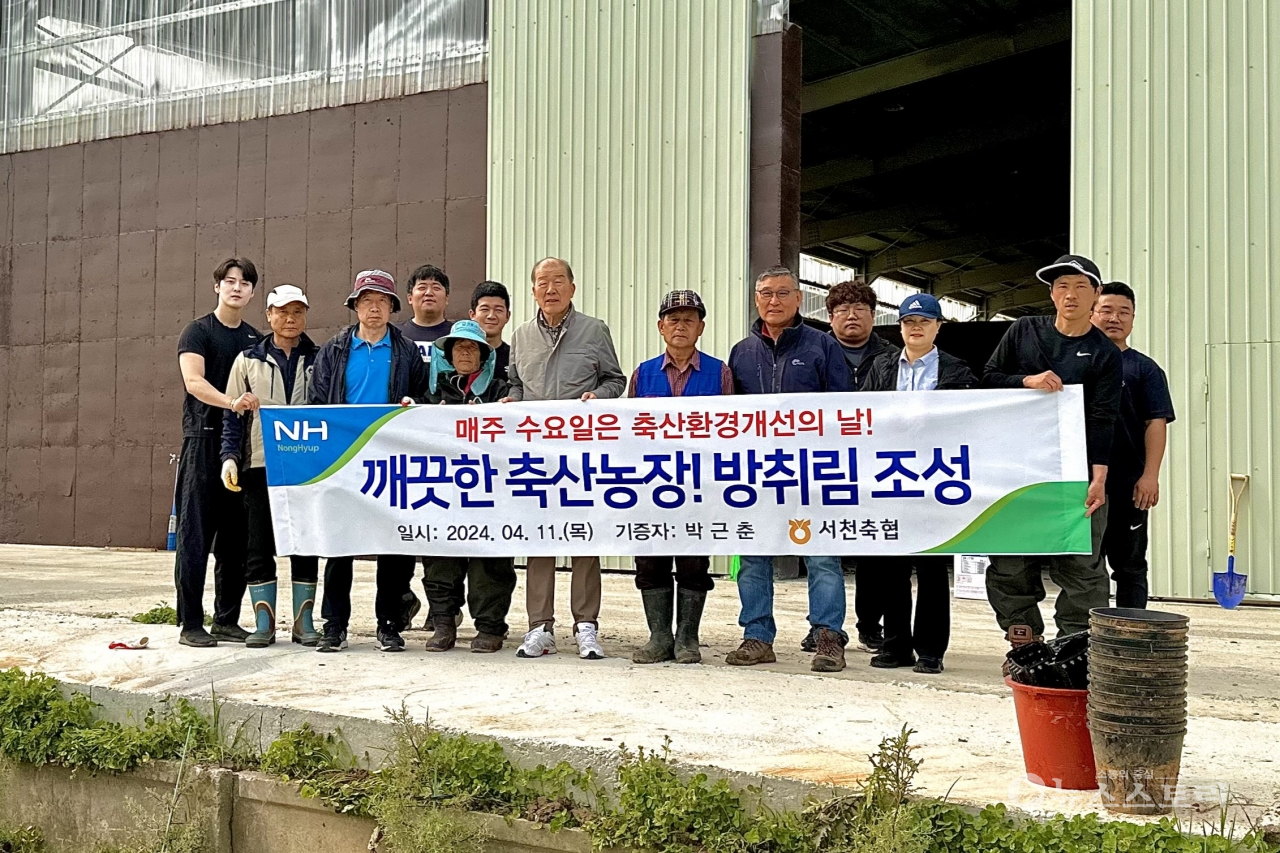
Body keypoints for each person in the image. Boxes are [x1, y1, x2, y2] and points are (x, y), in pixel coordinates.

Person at [982, 254, 1122, 644]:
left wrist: (1099, 479)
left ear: (1096, 295)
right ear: (1051, 293)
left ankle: (1074, 640)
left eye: (1080, 287)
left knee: (1082, 563)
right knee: (1010, 555)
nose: (1071, 294)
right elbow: (988, 379)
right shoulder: (1024, 330)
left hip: (1074, 473)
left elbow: (1102, 417)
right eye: (1062, 286)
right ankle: (1021, 633)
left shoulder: (1105, 353)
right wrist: (1026, 381)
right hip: (1016, 467)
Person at [726, 265, 854, 672]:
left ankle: (828, 636)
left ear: (799, 299)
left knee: (820, 555)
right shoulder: (741, 352)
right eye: (766, 293)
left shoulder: (822, 345)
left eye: (783, 293)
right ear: (756, 299)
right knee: (754, 554)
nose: (774, 301)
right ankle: (758, 635)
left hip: (812, 471)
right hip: (757, 472)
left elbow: (842, 409)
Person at [505, 257, 627, 660]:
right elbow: (516, 385)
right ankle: (540, 627)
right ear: (533, 290)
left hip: (582, 453)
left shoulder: (594, 330)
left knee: (583, 536)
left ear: (572, 288)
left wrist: (600, 398)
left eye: (559, 281)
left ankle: (586, 625)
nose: (551, 288)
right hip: (537, 456)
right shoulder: (521, 336)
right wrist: (512, 403)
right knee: (539, 539)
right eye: (543, 282)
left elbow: (615, 379)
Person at [309, 270, 430, 653]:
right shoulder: (334, 349)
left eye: (382, 301)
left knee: (393, 542)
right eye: (366, 300)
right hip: (344, 458)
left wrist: (413, 404)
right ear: (355, 306)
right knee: (339, 543)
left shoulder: (406, 350)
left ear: (393, 307)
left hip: (390, 458)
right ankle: (334, 625)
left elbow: (421, 397)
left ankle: (389, 624)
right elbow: (316, 404)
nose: (374, 307)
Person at [859, 294, 976, 674]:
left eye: (924, 322)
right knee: (891, 566)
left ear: (938, 326)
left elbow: (971, 422)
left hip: (937, 477)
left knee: (930, 567)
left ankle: (930, 650)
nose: (915, 328)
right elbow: (862, 415)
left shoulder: (958, 371)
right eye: (909, 321)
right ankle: (895, 646)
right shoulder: (880, 365)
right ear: (900, 326)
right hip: (890, 474)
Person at [626, 290, 733, 665]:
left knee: (692, 563)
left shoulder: (720, 373)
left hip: (698, 487)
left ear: (701, 327)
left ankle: (688, 636)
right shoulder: (642, 373)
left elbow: (732, 431)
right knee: (650, 560)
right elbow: (627, 434)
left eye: (689, 319)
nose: (680, 326)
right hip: (651, 486)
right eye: (673, 319)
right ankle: (658, 637)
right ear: (660, 327)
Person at [219, 285, 322, 648]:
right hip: (259, 465)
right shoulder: (247, 359)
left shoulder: (321, 358)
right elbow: (232, 415)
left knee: (305, 542)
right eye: (283, 311)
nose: (290, 318)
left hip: (308, 468)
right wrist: (229, 457)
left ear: (306, 315)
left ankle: (303, 622)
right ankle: (264, 624)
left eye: (297, 311)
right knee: (258, 545)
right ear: (269, 315)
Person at [174, 258, 261, 648]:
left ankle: (227, 619)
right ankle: (190, 623)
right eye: (229, 281)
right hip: (202, 443)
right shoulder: (198, 331)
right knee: (195, 538)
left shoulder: (255, 340)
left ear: (253, 292)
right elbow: (193, 381)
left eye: (244, 283)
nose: (236, 288)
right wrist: (231, 402)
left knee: (235, 541)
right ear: (217, 287)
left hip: (240, 451)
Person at [419, 320, 517, 654]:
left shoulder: (502, 393)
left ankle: (490, 626)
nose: (464, 351)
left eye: (472, 346)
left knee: (488, 561)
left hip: (490, 492)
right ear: (447, 354)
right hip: (441, 491)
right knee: (439, 556)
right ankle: (444, 621)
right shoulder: (431, 394)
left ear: (483, 354)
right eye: (458, 346)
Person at [1091, 281, 1176, 608]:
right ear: (1093, 313)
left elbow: (1155, 423)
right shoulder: (1079, 363)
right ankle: (1087, 641)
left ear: (1133, 318)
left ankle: (1131, 639)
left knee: (1130, 566)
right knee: (1086, 568)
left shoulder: (1145, 369)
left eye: (1123, 312)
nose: (1115, 318)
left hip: (1128, 485)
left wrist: (1150, 476)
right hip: (1082, 486)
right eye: (1107, 310)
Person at [824, 279, 896, 657]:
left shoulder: (894, 356)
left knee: (874, 546)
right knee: (821, 545)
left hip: (877, 462)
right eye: (842, 311)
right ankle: (823, 628)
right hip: (826, 461)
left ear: (873, 315)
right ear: (830, 317)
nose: (851, 317)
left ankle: (870, 626)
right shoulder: (815, 350)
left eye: (860, 310)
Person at [396, 264, 454, 361]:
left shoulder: (457, 335)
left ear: (446, 298)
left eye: (436, 288)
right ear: (410, 298)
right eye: (422, 288)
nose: (429, 293)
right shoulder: (396, 335)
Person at [470, 280, 513, 380]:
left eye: (498, 310)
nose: (491, 316)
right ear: (472, 315)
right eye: (485, 309)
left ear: (508, 316)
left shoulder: (515, 358)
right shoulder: (461, 356)